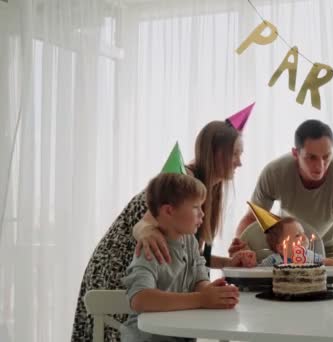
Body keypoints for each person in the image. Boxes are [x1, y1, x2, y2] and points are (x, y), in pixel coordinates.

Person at [72, 112, 256, 342]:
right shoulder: (183, 181)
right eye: (235, 154)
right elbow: (146, 225)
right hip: (120, 266)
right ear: (217, 153)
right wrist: (145, 231)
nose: (239, 162)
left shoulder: (204, 192)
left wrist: (227, 264)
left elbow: (184, 256)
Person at [231, 119, 333, 285]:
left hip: (332, 244)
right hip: (287, 245)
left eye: (326, 157)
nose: (320, 166)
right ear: (296, 154)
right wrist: (241, 249)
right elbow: (251, 219)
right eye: (311, 158)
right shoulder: (275, 173)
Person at [121, 172, 239, 342]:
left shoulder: (190, 241)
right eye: (196, 207)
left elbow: (199, 280)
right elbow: (140, 299)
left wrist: (212, 291)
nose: (202, 214)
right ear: (169, 211)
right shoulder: (151, 248)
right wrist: (201, 299)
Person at [245, 202, 333, 266]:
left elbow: (326, 262)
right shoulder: (273, 261)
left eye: (303, 233)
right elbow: (258, 271)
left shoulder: (308, 256)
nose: (304, 237)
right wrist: (251, 263)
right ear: (281, 248)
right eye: (297, 235)